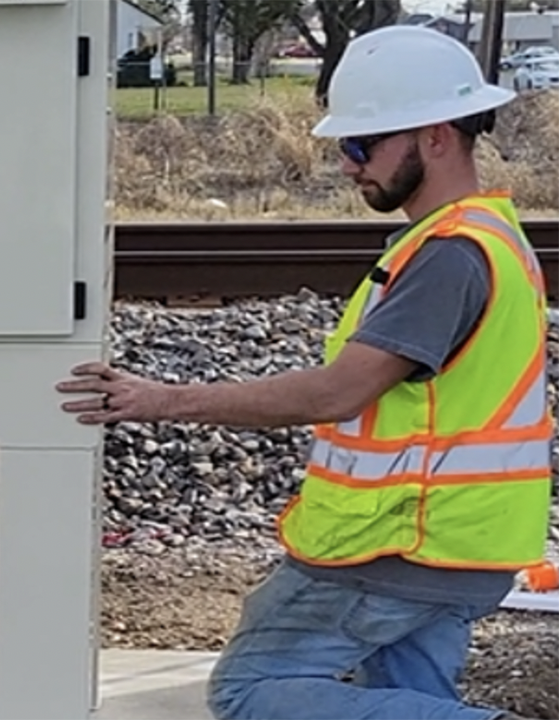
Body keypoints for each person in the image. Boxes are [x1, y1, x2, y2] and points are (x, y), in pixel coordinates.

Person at [56, 25, 552, 720]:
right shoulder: (490, 238)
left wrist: (158, 398)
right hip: (461, 544)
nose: (349, 166)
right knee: (404, 704)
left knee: (248, 692)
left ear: (436, 137)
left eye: (361, 145)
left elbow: (339, 390)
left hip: (398, 544)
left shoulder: (449, 254)